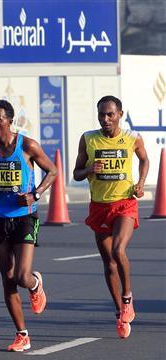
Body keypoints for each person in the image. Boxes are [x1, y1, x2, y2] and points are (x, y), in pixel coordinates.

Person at [0, 99, 57, 352]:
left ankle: (35, 284)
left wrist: (35, 194)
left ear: (9, 121)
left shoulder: (27, 145)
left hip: (24, 216)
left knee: (21, 276)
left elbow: (52, 171)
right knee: (7, 279)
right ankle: (22, 334)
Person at [72, 95, 148, 339]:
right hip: (99, 206)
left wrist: (140, 183)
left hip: (125, 203)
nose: (105, 119)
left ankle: (127, 297)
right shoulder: (88, 139)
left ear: (120, 115)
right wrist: (89, 169)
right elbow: (76, 173)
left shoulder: (132, 138)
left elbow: (144, 159)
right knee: (109, 262)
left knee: (118, 250)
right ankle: (119, 313)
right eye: (101, 114)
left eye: (110, 114)